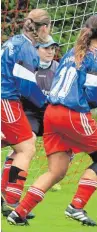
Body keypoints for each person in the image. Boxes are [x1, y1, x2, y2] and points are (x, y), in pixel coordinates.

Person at [7, 15, 97, 226]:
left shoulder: (71, 53)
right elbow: (93, 95)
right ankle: (77, 207)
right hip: (72, 113)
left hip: (51, 113)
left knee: (56, 171)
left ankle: (19, 212)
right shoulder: (96, 58)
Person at [1, 8, 51, 220]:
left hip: (7, 99)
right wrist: (47, 105)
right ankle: (11, 201)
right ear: (44, 28)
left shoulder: (13, 42)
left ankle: (6, 197)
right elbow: (27, 87)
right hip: (6, 100)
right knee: (26, 147)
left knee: (21, 144)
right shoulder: (26, 49)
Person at [2, 36, 62, 202]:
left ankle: (54, 174)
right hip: (30, 113)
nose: (51, 51)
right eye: (46, 48)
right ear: (36, 50)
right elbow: (25, 90)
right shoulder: (28, 66)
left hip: (51, 113)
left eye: (53, 48)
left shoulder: (59, 67)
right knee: (25, 144)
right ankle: (7, 193)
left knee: (66, 145)